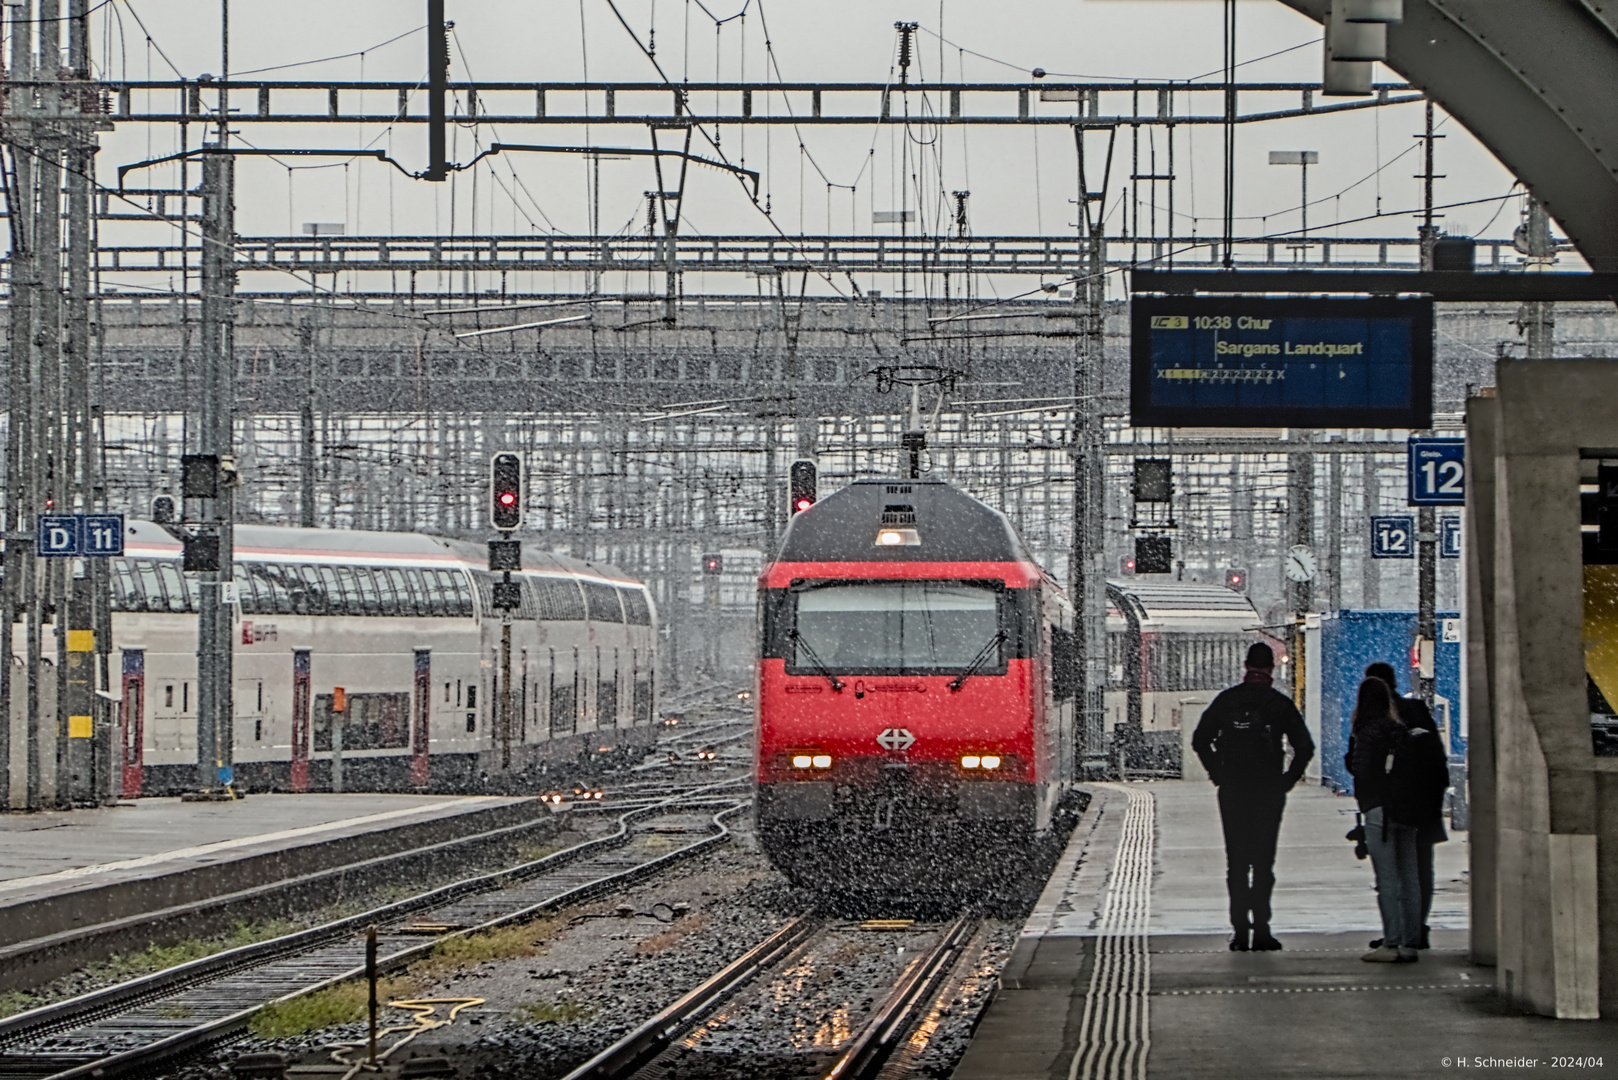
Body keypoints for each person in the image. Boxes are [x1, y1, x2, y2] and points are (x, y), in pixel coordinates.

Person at [1192, 641, 1316, 952]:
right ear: (1271, 669)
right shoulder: (1278, 704)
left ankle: (1239, 931)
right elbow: (1305, 747)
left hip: (1233, 790)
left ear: (1246, 666)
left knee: (1236, 862)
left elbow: (1200, 740)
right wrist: (1286, 781)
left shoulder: (1227, 701)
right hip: (1267, 792)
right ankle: (1262, 928)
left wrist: (1217, 774)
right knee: (1263, 862)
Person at [1362, 662, 1450, 950]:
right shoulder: (1417, 712)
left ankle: (1396, 934)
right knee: (1417, 871)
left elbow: (1360, 767)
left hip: (1389, 806)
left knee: (1390, 875)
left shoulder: (1373, 722)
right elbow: (1436, 759)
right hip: (1420, 803)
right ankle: (1415, 930)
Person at [1346, 676, 1424, 963]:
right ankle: (1410, 941)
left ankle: (1391, 943)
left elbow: (1360, 770)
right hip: (1407, 809)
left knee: (1387, 879)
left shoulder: (1366, 731)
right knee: (1410, 877)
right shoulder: (1399, 730)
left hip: (1379, 809)